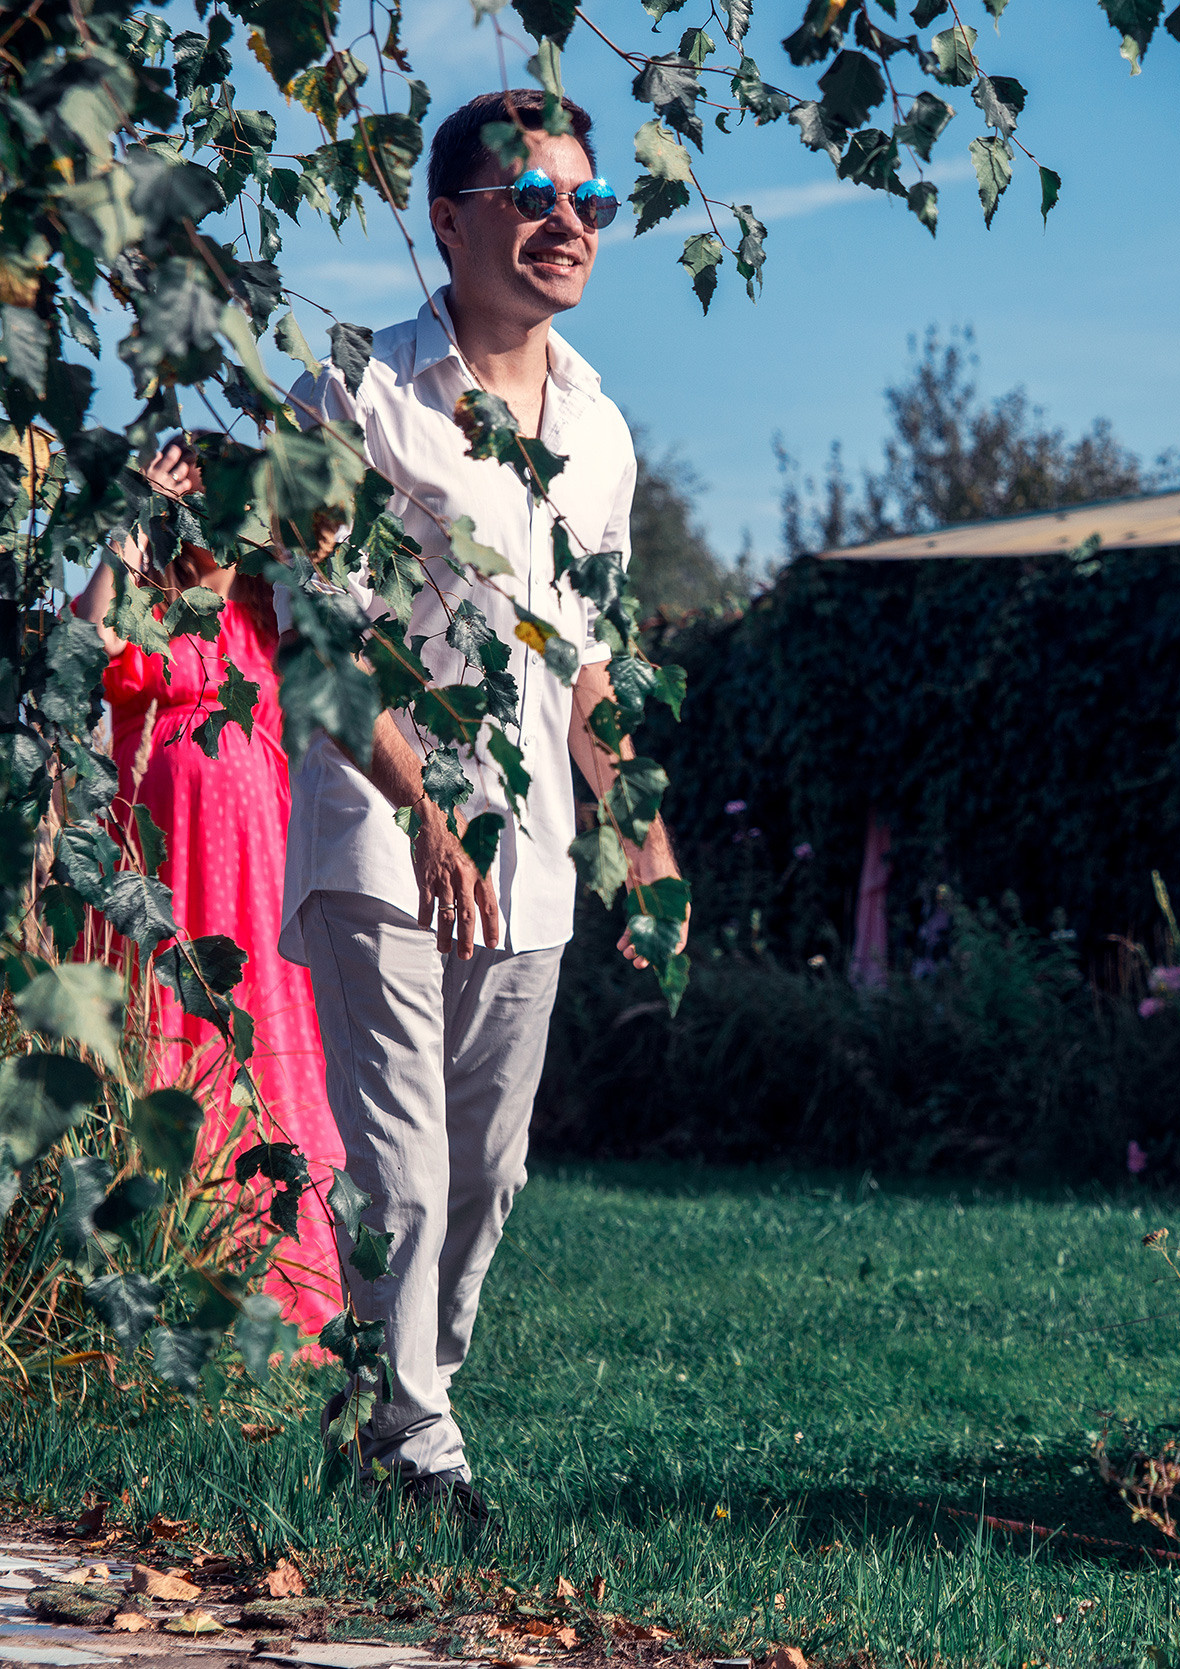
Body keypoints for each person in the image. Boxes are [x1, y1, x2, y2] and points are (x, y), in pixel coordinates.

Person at [278, 88, 685, 1519]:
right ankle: (421, 1439)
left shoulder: (599, 430)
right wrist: (428, 815)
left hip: (537, 853)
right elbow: (318, 642)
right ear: (448, 219)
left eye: (588, 200)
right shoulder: (358, 391)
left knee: (488, 1168)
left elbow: (586, 663)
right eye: (530, 194)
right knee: (400, 1167)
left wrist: (647, 843)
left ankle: (399, 1408)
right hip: (379, 824)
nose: (565, 221)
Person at [70, 442, 342, 1335]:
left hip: (253, 876)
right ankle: (147, 1285)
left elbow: (346, 595)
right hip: (158, 872)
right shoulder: (148, 605)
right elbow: (87, 644)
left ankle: (266, 1288)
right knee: (160, 1037)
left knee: (253, 1045)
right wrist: (131, 516)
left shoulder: (269, 613)